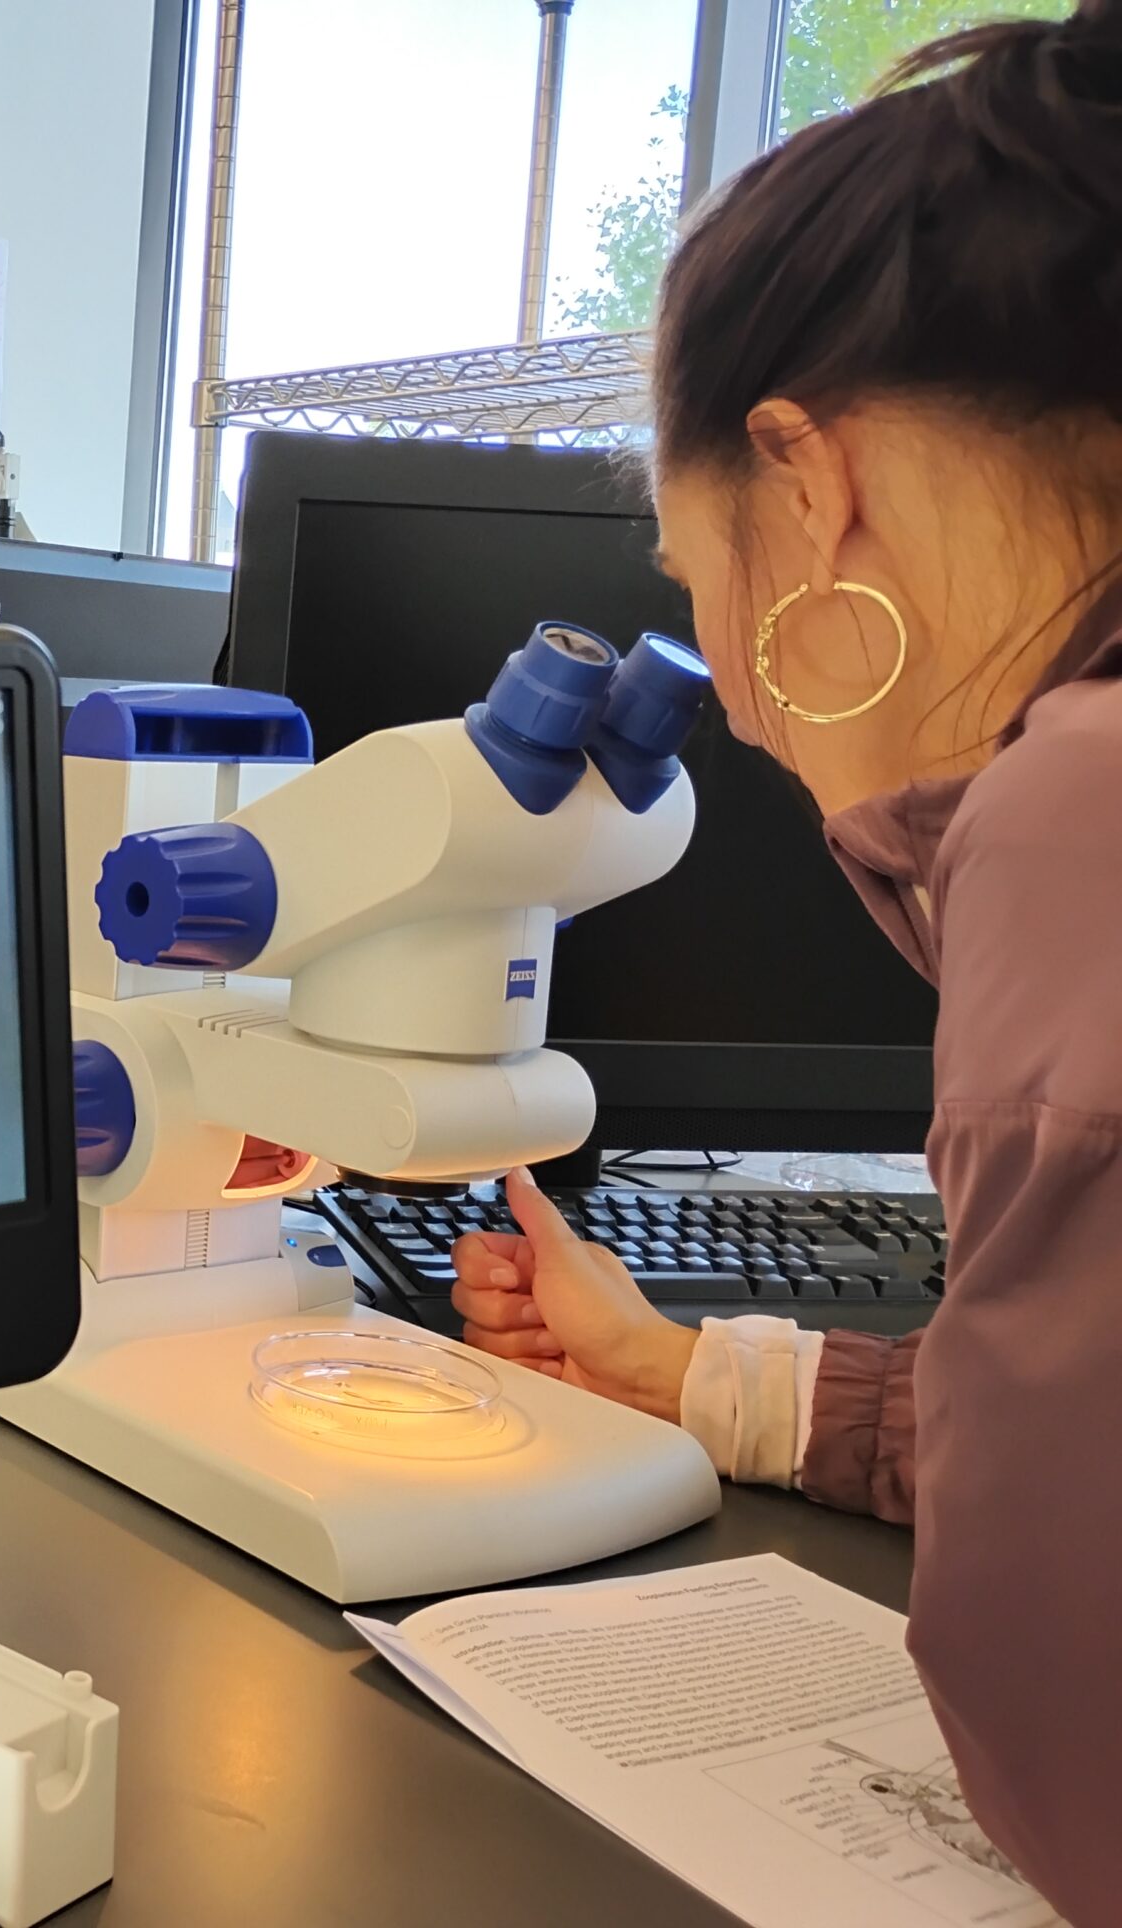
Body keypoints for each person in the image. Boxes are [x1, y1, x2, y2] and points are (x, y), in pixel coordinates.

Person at [448, 8, 1121, 1916]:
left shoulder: (1079, 810)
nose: (731, 693)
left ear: (806, 486)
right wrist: (685, 1369)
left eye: (698, 582)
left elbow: (1068, 1737)